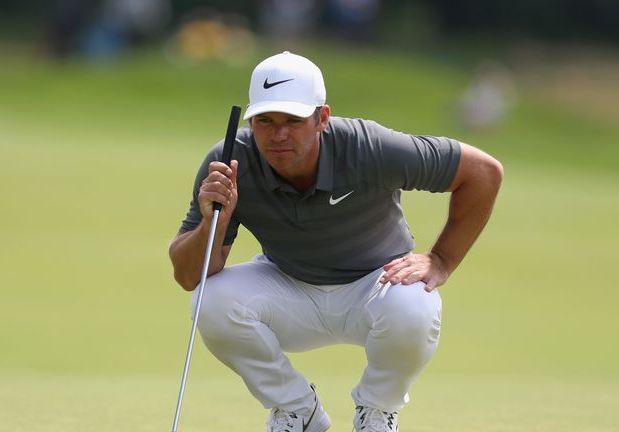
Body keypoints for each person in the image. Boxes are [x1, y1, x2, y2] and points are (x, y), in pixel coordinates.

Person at [169, 51, 503, 432]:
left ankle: (377, 412)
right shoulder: (230, 161)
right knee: (209, 300)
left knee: (416, 305)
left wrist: (442, 259)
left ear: (321, 118)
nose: (278, 135)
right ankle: (297, 410)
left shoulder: (368, 147)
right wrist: (215, 219)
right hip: (289, 286)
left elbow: (482, 172)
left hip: (377, 286)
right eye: (265, 121)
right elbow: (187, 276)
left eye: (293, 121)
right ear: (251, 120)